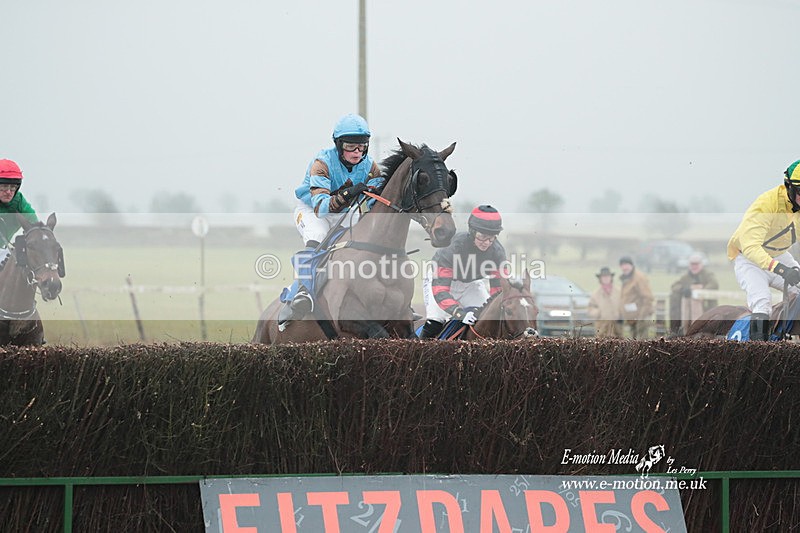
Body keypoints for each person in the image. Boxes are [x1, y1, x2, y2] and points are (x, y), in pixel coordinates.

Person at [277, 114, 386, 325]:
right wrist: (348, 194)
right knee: (318, 236)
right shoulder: (322, 163)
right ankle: (301, 293)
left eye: (361, 147)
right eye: (350, 146)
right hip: (312, 210)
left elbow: (377, 201)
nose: (357, 152)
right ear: (338, 145)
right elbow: (322, 208)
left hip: (344, 213)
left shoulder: (370, 166)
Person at [727, 159, 800, 341]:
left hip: (779, 255)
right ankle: (757, 354)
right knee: (762, 302)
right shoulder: (766, 204)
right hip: (749, 259)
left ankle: (786, 335)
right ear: (789, 187)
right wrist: (781, 270)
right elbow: (751, 246)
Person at [419, 205, 508, 339]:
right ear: (472, 232)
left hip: (471, 284)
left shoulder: (497, 252)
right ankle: (420, 352)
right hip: (441, 283)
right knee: (436, 321)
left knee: (488, 317)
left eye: (491, 238)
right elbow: (441, 291)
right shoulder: (454, 248)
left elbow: (498, 290)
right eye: (482, 237)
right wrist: (459, 313)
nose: (487, 243)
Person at [668, 252, 718, 336]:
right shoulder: (686, 277)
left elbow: (714, 284)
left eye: (696, 264)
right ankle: (677, 330)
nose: (694, 266)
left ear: (701, 264)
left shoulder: (707, 275)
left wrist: (700, 291)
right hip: (688, 311)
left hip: (706, 308)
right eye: (692, 264)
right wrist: (683, 289)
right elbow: (675, 286)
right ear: (689, 265)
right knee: (674, 296)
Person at [0, 159, 38, 263]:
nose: (8, 192)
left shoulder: (18, 201)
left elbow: (34, 225)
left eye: (12, 187)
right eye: (3, 187)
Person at [618, 256, 654, 339]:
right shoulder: (626, 278)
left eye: (626, 264)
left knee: (642, 343)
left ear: (631, 265)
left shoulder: (639, 278)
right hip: (632, 317)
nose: (624, 267)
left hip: (641, 316)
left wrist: (642, 316)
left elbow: (648, 297)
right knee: (633, 344)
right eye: (622, 265)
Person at [587, 266, 622, 338]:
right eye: (603, 276)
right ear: (600, 279)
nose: (606, 278)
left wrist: (619, 314)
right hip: (601, 328)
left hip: (617, 328)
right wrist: (599, 312)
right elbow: (590, 309)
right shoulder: (595, 294)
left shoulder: (619, 292)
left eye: (607, 276)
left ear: (611, 278)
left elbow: (624, 306)